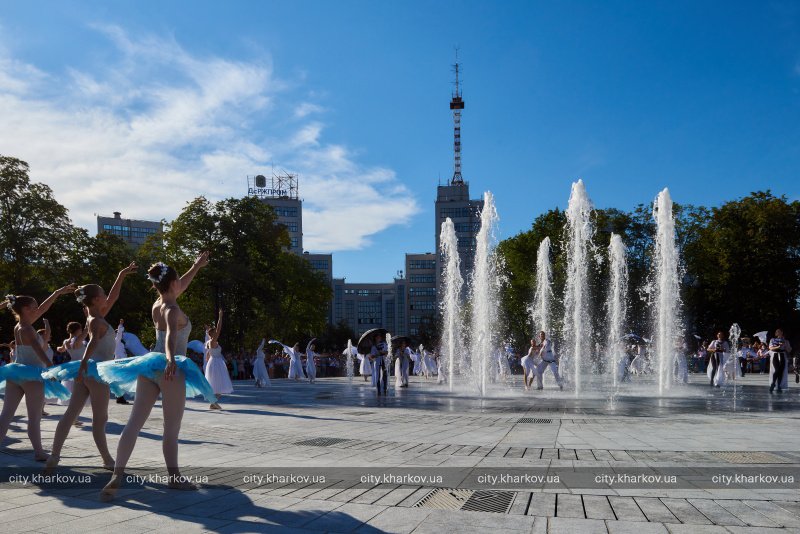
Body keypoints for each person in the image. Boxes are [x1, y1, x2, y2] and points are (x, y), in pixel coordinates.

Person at [98, 254, 217, 500]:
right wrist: (172, 359)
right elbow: (172, 336)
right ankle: (174, 478)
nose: (180, 285)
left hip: (149, 366)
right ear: (172, 283)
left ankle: (117, 474)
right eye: (178, 282)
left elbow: (180, 287)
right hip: (169, 369)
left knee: (134, 423)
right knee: (170, 428)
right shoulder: (173, 309)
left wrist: (195, 266)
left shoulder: (158, 305)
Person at [44, 263, 138, 472]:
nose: (106, 296)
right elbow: (94, 341)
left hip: (88, 370)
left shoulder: (93, 316)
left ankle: (55, 456)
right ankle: (106, 460)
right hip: (96, 371)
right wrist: (84, 364)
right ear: (96, 300)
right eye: (102, 294)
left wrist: (121, 274)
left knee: (71, 413)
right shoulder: (95, 320)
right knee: (100, 418)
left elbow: (113, 297)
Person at [0, 286, 74, 461]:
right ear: (26, 309)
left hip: (16, 372)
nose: (37, 308)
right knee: (34, 417)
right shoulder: (27, 329)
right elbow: (38, 350)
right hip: (32, 374)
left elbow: (43, 308)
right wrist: (51, 368)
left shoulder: (20, 326)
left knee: (6, 413)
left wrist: (57, 293)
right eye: (34, 306)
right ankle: (39, 452)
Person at [204, 309, 230, 409]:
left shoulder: (210, 342)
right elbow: (219, 329)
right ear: (212, 334)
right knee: (219, 385)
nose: (217, 333)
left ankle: (213, 403)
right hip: (216, 363)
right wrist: (220, 317)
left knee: (218, 385)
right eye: (215, 332)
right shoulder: (213, 340)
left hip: (215, 362)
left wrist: (208, 356)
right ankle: (213, 402)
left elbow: (208, 353)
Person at [768, 329, 791, 394]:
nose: (779, 333)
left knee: (781, 371)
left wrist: (786, 346)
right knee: (777, 370)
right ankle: (773, 383)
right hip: (775, 355)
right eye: (777, 332)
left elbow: (789, 350)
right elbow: (770, 348)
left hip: (783, 355)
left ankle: (779, 386)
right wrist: (778, 346)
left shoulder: (786, 341)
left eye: (780, 332)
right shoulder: (772, 340)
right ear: (776, 333)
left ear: (782, 332)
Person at [114, 319, 130, 404]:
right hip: (118, 363)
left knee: (121, 381)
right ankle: (120, 398)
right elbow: (119, 333)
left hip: (122, 363)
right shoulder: (116, 341)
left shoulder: (120, 343)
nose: (122, 334)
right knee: (120, 381)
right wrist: (120, 325)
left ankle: (120, 397)